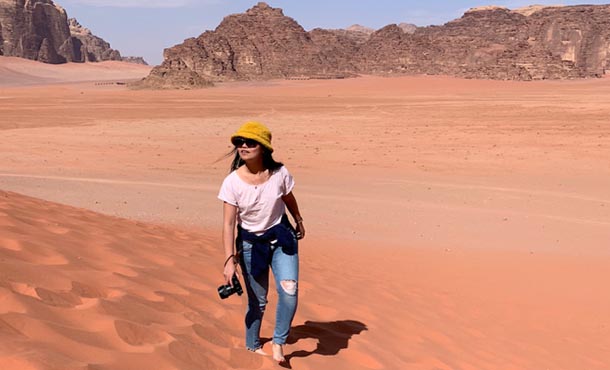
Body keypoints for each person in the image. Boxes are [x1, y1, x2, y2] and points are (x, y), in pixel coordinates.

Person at [218, 121, 305, 363]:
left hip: (281, 239)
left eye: (250, 142)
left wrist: (298, 219)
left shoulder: (279, 174)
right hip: (250, 246)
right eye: (239, 142)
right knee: (258, 300)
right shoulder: (232, 182)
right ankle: (252, 344)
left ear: (264, 148)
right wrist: (228, 260)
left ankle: (279, 342)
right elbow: (228, 224)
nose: (243, 146)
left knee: (289, 291)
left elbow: (288, 197)